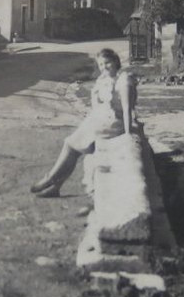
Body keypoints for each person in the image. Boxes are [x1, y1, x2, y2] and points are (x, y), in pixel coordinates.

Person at [30, 48, 137, 197]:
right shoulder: (104, 80)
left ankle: (51, 179)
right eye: (101, 65)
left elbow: (127, 109)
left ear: (115, 62)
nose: (104, 67)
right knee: (72, 146)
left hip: (113, 124)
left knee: (70, 144)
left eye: (107, 63)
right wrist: (96, 95)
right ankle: (54, 186)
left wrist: (127, 134)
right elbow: (97, 106)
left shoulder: (123, 80)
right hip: (102, 120)